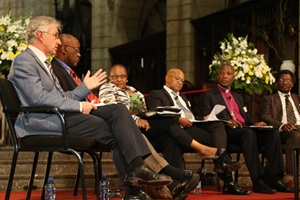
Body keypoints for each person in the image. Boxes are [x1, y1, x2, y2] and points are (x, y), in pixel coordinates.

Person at [8, 16, 175, 200]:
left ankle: (137, 174)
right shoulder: (24, 61)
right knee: (115, 130)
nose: (58, 40)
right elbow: (39, 99)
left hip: (57, 115)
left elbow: (60, 98)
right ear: (40, 35)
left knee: (118, 110)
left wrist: (84, 89)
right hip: (41, 121)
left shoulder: (43, 62)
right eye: (55, 35)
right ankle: (134, 190)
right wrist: (79, 105)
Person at [51, 33, 206, 200]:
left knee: (164, 129)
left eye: (123, 76)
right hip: (76, 118)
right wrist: (86, 91)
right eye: (78, 50)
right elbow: (62, 100)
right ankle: (163, 180)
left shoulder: (68, 71)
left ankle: (145, 188)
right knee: (122, 121)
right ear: (65, 49)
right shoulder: (53, 69)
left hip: (99, 115)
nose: (80, 54)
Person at [147, 68, 251, 195]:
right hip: (172, 129)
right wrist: (178, 119)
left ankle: (222, 166)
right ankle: (225, 172)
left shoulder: (183, 97)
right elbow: (157, 113)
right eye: (177, 79)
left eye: (182, 81)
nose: (180, 82)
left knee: (217, 125)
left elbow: (190, 117)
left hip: (190, 128)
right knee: (174, 134)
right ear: (167, 78)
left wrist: (204, 118)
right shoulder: (156, 94)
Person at [198, 64, 294, 194]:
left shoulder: (237, 97)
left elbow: (246, 117)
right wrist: (227, 122)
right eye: (222, 73)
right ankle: (258, 180)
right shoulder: (209, 95)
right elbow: (207, 117)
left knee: (272, 133)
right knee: (248, 133)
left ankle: (276, 178)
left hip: (245, 129)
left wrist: (255, 123)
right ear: (217, 76)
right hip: (227, 132)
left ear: (233, 77)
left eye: (228, 74)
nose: (225, 76)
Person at [260, 69, 300, 189]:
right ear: (276, 83)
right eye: (282, 80)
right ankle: (290, 175)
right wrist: (281, 125)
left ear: (293, 84)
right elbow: (265, 117)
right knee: (296, 136)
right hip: (283, 131)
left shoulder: (298, 98)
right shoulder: (269, 99)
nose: (285, 83)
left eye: (288, 80)